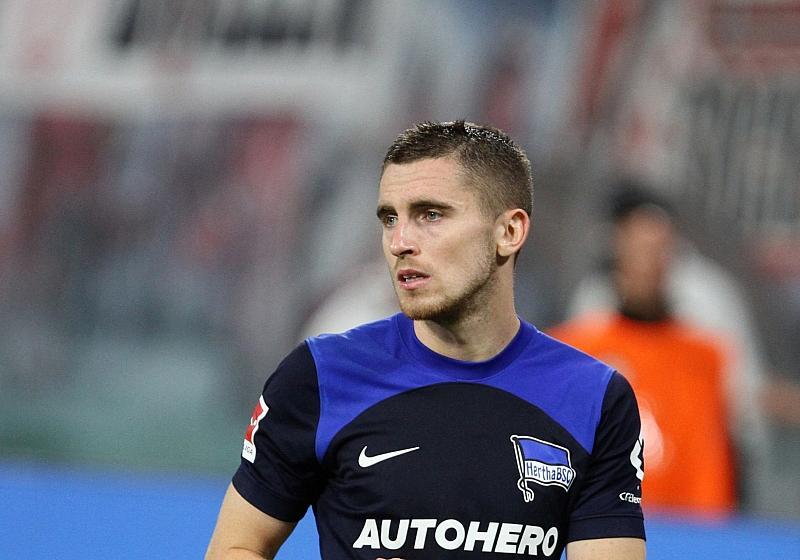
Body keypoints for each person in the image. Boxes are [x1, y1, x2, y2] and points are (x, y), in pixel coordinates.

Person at [206, 121, 646, 559]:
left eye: (430, 215)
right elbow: (235, 548)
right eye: (389, 218)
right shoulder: (319, 376)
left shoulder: (594, 398)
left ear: (509, 232)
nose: (400, 242)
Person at [550, 186, 737, 516]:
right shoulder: (575, 349)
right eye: (639, 248)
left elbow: (710, 464)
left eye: (659, 249)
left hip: (689, 531)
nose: (649, 263)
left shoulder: (705, 356)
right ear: (617, 252)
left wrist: (713, 530)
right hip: (602, 526)